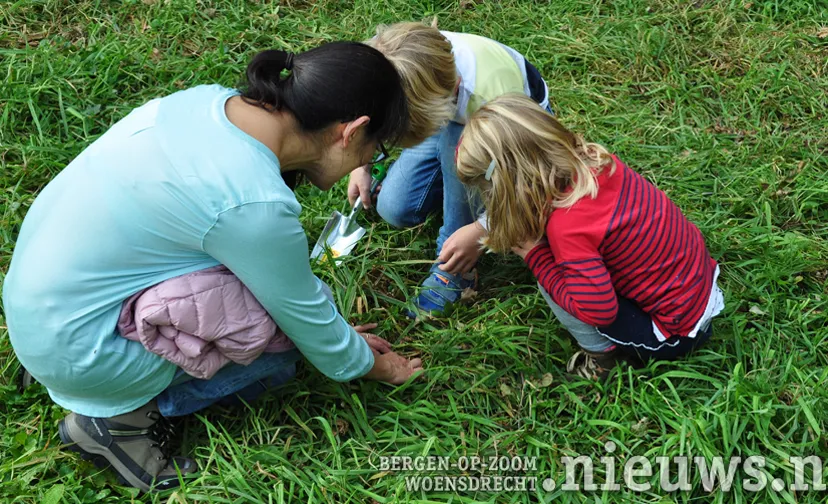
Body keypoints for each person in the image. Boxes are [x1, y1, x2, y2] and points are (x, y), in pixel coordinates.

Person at [2, 42, 423, 492]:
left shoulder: (205, 101)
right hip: (85, 354)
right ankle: (115, 423)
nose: (366, 162)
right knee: (278, 341)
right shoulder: (252, 203)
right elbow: (306, 318)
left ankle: (77, 371)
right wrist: (369, 365)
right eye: (375, 150)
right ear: (352, 130)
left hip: (38, 310)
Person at [454, 94, 725, 380]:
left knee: (552, 273)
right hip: (697, 285)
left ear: (508, 186)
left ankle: (603, 358)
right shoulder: (596, 162)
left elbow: (598, 310)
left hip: (675, 332)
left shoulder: (567, 227)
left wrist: (536, 257)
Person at [347, 20, 552, 316]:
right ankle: (453, 176)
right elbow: (371, 108)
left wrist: (482, 229)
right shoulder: (398, 60)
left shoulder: (495, 99)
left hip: (508, 134)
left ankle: (456, 271)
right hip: (449, 118)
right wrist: (361, 165)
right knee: (394, 209)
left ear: (451, 91)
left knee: (456, 147)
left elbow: (529, 181)